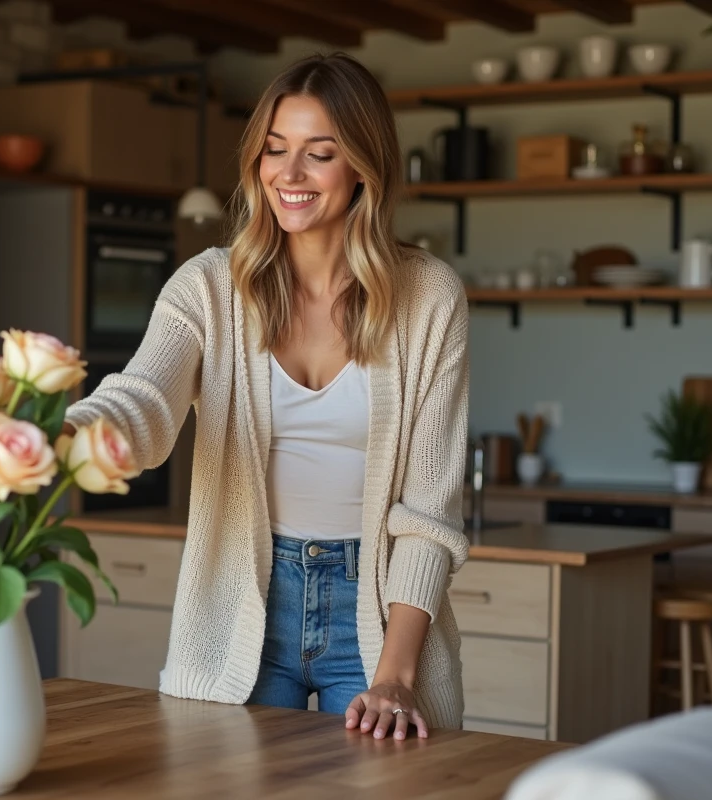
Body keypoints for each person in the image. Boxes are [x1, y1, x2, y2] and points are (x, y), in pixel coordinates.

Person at [64, 52, 470, 742]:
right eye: (275, 149)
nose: (289, 173)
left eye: (320, 154)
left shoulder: (429, 297)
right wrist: (65, 431)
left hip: (376, 613)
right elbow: (145, 398)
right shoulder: (208, 287)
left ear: (364, 166)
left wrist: (395, 675)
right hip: (242, 603)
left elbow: (430, 512)